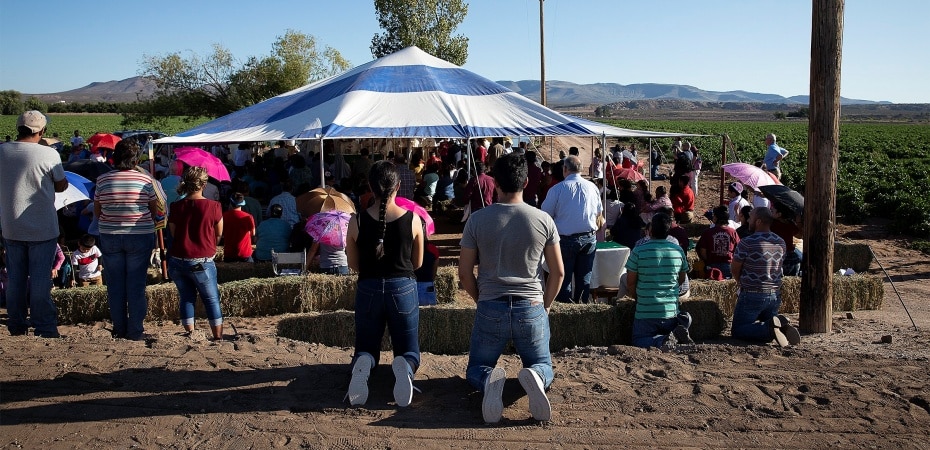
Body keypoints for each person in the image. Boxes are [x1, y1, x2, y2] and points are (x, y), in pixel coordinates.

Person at [459, 153, 565, 423]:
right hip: (530, 305)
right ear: (527, 181)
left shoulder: (477, 221)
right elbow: (559, 272)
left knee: (476, 369)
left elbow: (464, 273)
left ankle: (488, 379)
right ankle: (537, 377)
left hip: (491, 304)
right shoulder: (543, 220)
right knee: (543, 364)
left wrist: (480, 298)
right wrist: (546, 304)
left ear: (494, 183)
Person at [345, 161, 424, 407]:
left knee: (366, 343)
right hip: (402, 287)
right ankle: (404, 365)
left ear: (370, 186)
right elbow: (418, 263)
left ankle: (364, 362)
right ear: (398, 187)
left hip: (368, 286)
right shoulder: (413, 219)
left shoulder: (356, 221)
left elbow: (354, 264)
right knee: (408, 348)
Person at [0, 111, 68, 337]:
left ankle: (17, 325)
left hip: (11, 225)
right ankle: (45, 327)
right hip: (42, 227)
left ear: (18, 127)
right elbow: (61, 186)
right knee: (40, 281)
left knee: (15, 280)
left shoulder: (2, 151)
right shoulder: (49, 154)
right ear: (42, 131)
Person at [95, 139, 158, 340]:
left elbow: (97, 212)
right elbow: (154, 210)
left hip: (110, 235)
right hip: (139, 235)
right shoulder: (145, 181)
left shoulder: (102, 180)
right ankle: (135, 330)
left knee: (115, 285)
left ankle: (119, 328)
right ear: (135, 159)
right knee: (136, 284)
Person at [167, 166, 225, 341]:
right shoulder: (214, 206)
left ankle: (190, 333)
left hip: (177, 259)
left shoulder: (176, 206)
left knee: (186, 298)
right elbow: (219, 233)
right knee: (211, 299)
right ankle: (217, 336)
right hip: (202, 260)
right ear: (204, 184)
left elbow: (174, 232)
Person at [730, 207, 801, 347]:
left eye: (751, 218)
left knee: (738, 330)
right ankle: (776, 327)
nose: (748, 220)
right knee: (767, 321)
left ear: (758, 221)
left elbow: (735, 267)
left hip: (752, 294)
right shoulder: (780, 242)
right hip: (774, 294)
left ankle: (768, 329)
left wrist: (739, 281)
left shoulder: (747, 242)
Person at [625, 213, 694, 349]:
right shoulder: (678, 251)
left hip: (645, 312)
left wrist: (638, 297)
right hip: (671, 312)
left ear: (650, 230)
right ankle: (675, 332)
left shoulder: (638, 251)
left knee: (638, 340)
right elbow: (681, 280)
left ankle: (662, 340)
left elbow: (630, 282)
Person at [541, 155, 602, 304]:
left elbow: (545, 214)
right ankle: (581, 308)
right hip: (588, 237)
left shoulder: (557, 189)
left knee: (564, 278)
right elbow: (599, 213)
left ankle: (566, 309)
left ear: (565, 169)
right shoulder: (592, 187)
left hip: (565, 239)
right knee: (584, 279)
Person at [697, 206, 740, 279]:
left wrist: (707, 261)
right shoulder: (733, 232)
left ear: (715, 218)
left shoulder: (708, 232)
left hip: (712, 266)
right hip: (728, 266)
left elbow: (702, 251)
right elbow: (739, 250)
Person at [222, 193, 255, 262]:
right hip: (245, 253)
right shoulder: (248, 217)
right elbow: (253, 234)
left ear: (230, 203)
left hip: (229, 253)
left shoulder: (224, 216)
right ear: (243, 204)